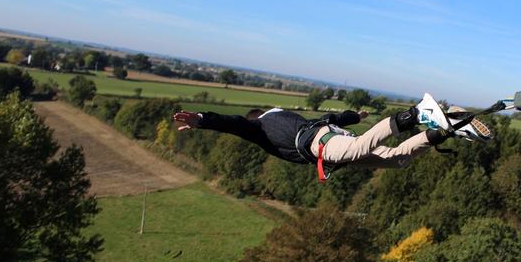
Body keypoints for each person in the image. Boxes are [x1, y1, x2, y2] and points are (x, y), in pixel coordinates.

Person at [172, 94, 489, 180]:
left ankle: (416, 114)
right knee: (398, 159)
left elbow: (234, 123)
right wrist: (356, 116)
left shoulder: (261, 126)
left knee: (356, 148)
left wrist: (202, 120)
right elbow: (332, 118)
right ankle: (444, 129)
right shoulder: (290, 117)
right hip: (326, 138)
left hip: (323, 144)